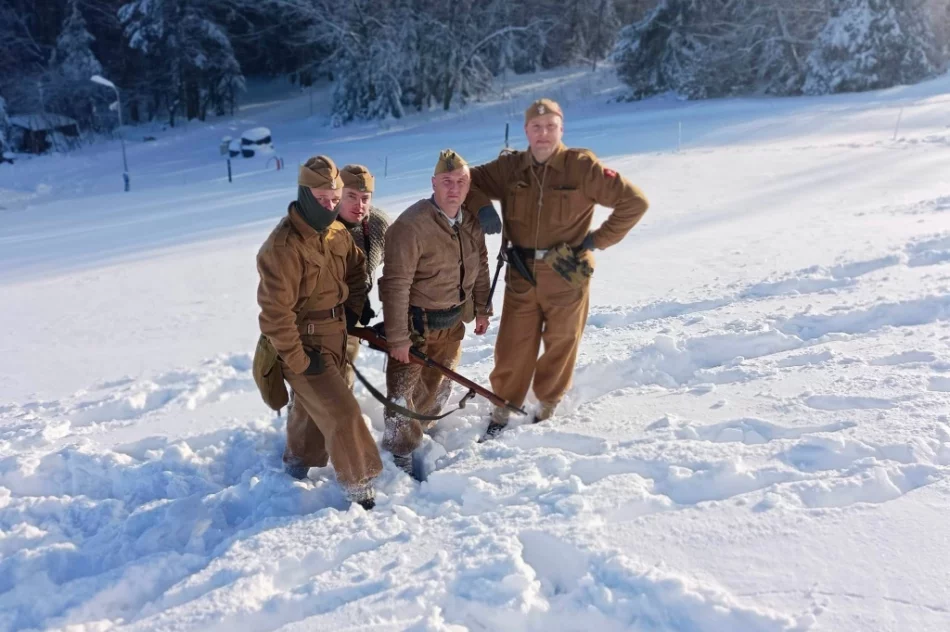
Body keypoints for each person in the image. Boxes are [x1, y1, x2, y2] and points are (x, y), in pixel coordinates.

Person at [469, 98, 650, 437]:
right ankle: (503, 405)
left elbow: (634, 202)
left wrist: (597, 240)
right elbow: (467, 180)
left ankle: (547, 403)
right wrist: (482, 208)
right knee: (512, 344)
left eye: (550, 126)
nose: (543, 133)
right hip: (522, 271)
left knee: (562, 340)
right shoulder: (510, 168)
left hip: (566, 270)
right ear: (526, 131)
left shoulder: (581, 167)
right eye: (536, 127)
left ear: (561, 129)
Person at [256, 155, 383, 508]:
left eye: (334, 199)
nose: (329, 206)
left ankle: (298, 462)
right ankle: (360, 486)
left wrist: (356, 305)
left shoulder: (337, 232)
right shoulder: (282, 247)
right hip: (303, 342)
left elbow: (356, 267)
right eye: (321, 198)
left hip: (336, 335)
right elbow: (275, 316)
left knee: (315, 407)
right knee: (343, 412)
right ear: (304, 194)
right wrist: (298, 360)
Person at [378, 149, 492, 475]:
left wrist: (482, 308)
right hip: (416, 326)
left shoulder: (470, 222)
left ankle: (425, 430)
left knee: (439, 385)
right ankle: (399, 458)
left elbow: (481, 266)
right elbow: (395, 284)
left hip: (453, 322)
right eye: (446, 181)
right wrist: (398, 336)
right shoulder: (411, 226)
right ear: (433, 183)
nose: (454, 189)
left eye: (460, 182)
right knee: (402, 397)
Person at [338, 164, 391, 389]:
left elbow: (398, 269)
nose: (359, 205)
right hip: (317, 320)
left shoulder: (379, 224)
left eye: (365, 198)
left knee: (344, 374)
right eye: (351, 196)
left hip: (355, 312)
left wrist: (394, 317)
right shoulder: (319, 226)